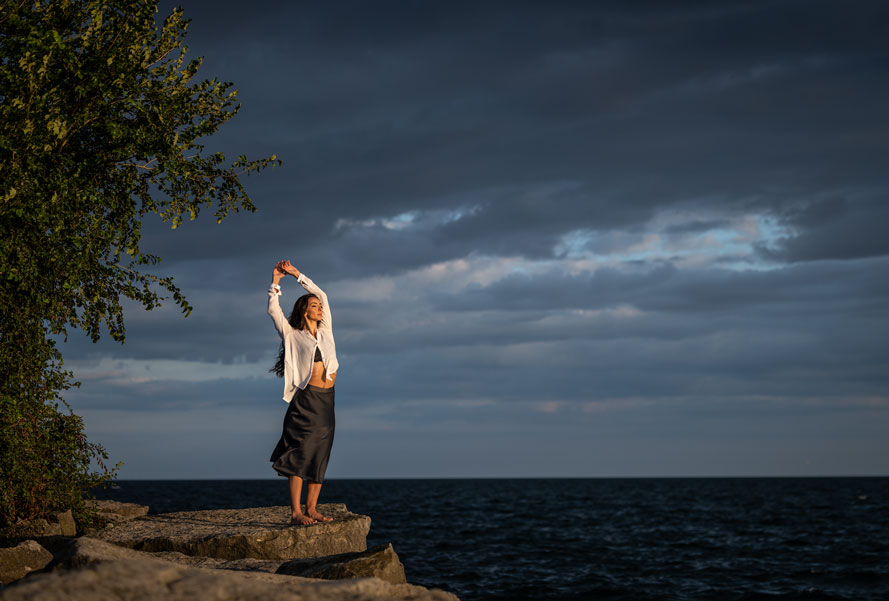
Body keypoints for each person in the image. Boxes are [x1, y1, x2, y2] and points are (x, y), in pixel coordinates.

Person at [267, 260, 339, 525]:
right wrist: (276, 281)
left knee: (320, 452)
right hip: (306, 400)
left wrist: (297, 275)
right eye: (314, 306)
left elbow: (323, 295)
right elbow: (273, 310)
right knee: (300, 452)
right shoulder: (292, 334)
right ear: (304, 310)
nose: (319, 308)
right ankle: (296, 512)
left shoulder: (326, 329)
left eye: (320, 306)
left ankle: (312, 508)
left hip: (327, 400)